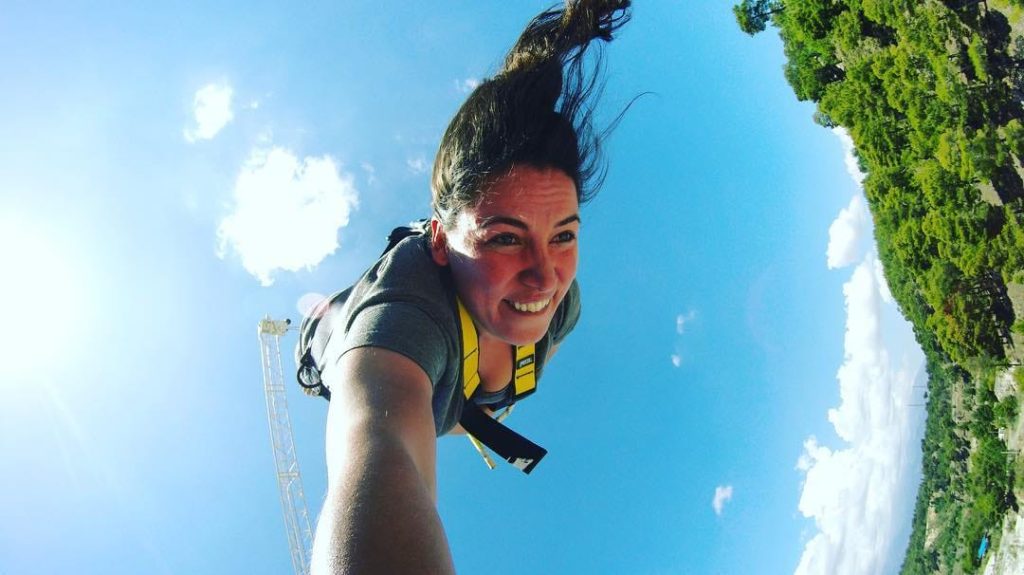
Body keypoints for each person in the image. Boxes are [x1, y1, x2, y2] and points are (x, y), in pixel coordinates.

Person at [300, 1, 631, 572]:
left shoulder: (562, 307)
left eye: (563, 235)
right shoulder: (402, 321)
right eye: (505, 238)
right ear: (439, 241)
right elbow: (380, 451)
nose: (545, 275)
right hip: (348, 341)